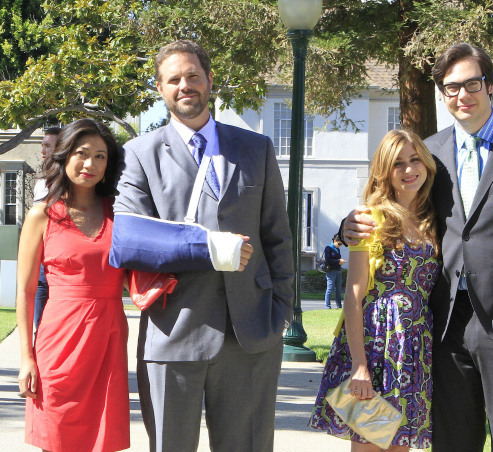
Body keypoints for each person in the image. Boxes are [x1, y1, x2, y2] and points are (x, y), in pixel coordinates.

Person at [342, 43, 493, 452]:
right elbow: (398, 206)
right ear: (442, 94)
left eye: (471, 84)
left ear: (489, 86)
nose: (462, 95)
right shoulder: (430, 153)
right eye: (451, 88)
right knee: (451, 442)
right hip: (444, 325)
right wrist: (348, 228)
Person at [109, 40, 294, 452]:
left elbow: (278, 237)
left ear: (210, 81)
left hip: (251, 334)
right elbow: (130, 241)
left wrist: (281, 310)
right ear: (160, 88)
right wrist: (211, 248)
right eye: (174, 79)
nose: (185, 85)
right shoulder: (139, 154)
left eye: (193, 76)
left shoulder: (255, 148)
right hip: (173, 331)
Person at [310, 129, 440, 451]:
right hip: (376, 348)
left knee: (399, 446)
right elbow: (353, 296)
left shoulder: (431, 221)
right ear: (384, 172)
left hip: (413, 353)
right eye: (398, 164)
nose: (409, 170)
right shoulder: (370, 219)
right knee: (370, 444)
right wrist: (360, 366)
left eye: (414, 160)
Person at [16, 119, 129, 451]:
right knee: (58, 436)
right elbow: (24, 291)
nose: (90, 164)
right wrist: (27, 357)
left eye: (100, 156)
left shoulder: (120, 213)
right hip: (59, 340)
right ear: (64, 156)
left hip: (108, 338)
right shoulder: (43, 214)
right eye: (82, 153)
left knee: (103, 438)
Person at [32, 127, 61, 330]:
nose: (43, 150)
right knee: (40, 323)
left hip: (59, 258)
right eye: (42, 145)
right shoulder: (41, 181)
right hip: (40, 259)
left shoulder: (67, 181)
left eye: (48, 145)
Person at [323, 234, 346, 309]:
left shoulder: (337, 249)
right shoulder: (328, 248)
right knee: (329, 289)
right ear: (335, 240)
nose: (340, 245)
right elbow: (328, 260)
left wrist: (340, 262)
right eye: (339, 243)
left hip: (338, 270)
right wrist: (338, 261)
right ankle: (328, 306)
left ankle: (339, 306)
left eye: (341, 244)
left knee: (338, 290)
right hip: (331, 271)